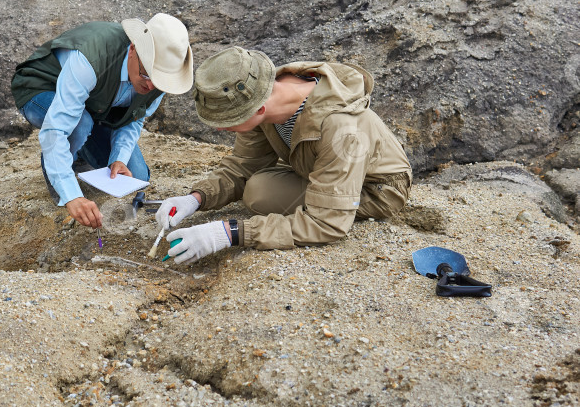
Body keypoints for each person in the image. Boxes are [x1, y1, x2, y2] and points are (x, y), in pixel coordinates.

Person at [156, 46, 412, 264]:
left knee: (261, 196)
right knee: (258, 189)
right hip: (313, 168)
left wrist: (229, 233)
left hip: (376, 188)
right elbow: (243, 165)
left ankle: (336, 202)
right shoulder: (261, 92)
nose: (221, 128)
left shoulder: (341, 130)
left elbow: (326, 224)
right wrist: (195, 199)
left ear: (258, 109)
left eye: (226, 121)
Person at [11, 13, 193, 228]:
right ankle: (64, 168)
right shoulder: (91, 58)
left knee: (137, 176)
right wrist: (72, 196)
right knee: (79, 124)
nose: (151, 86)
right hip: (41, 89)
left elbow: (133, 118)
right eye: (147, 75)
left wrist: (120, 159)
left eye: (159, 81)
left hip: (94, 105)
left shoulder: (159, 79)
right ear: (133, 49)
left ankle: (79, 153)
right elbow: (56, 129)